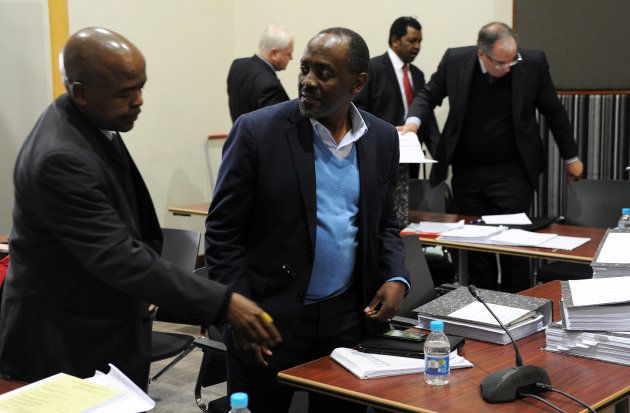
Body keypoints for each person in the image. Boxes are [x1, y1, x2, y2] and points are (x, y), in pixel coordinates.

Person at [0, 27, 280, 391]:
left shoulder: (93, 124)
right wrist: (224, 302)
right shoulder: (60, 156)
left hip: (99, 329)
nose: (138, 101)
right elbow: (118, 256)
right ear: (80, 92)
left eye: (140, 87)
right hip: (63, 345)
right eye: (124, 92)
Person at [205, 27, 409, 412]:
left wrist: (396, 276)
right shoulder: (257, 131)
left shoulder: (381, 138)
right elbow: (222, 233)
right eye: (304, 69)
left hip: (347, 320)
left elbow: (386, 222)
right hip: (267, 320)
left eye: (324, 73)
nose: (308, 82)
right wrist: (239, 314)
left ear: (358, 83)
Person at [399, 22, 583, 292]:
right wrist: (413, 123)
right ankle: (482, 313)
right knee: (475, 252)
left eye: (512, 60)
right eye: (500, 63)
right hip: (467, 172)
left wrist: (571, 157)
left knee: (514, 247)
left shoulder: (532, 63)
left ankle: (519, 307)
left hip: (513, 172)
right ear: (481, 54)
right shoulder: (456, 60)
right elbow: (428, 94)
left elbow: (554, 111)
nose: (508, 67)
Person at [355, 16, 440, 161]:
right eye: (412, 41)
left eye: (420, 42)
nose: (417, 46)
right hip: (380, 153)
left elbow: (426, 116)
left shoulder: (417, 74)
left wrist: (439, 154)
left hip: (411, 155)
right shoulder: (372, 69)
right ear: (395, 40)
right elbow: (358, 111)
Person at [227, 25, 293, 122]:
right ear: (274, 53)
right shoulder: (269, 85)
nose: (291, 58)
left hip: (239, 135)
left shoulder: (237, 65)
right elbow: (278, 124)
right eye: (288, 54)